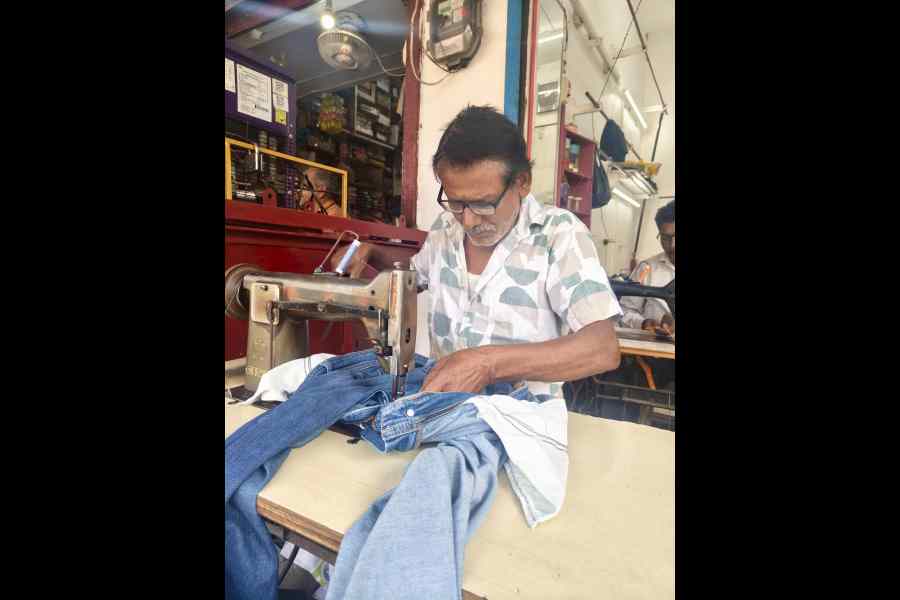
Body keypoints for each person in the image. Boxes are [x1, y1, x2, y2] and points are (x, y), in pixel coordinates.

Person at [333, 105, 622, 400]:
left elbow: (601, 348)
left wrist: (488, 364)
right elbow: (415, 273)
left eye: (483, 204)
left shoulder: (558, 235)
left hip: (519, 419)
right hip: (441, 408)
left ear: (522, 182)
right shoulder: (446, 228)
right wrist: (371, 252)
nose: (469, 221)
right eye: (457, 203)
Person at [620, 200, 675, 336]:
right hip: (655, 347)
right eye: (666, 238)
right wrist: (644, 323)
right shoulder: (647, 268)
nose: (672, 245)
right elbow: (625, 310)